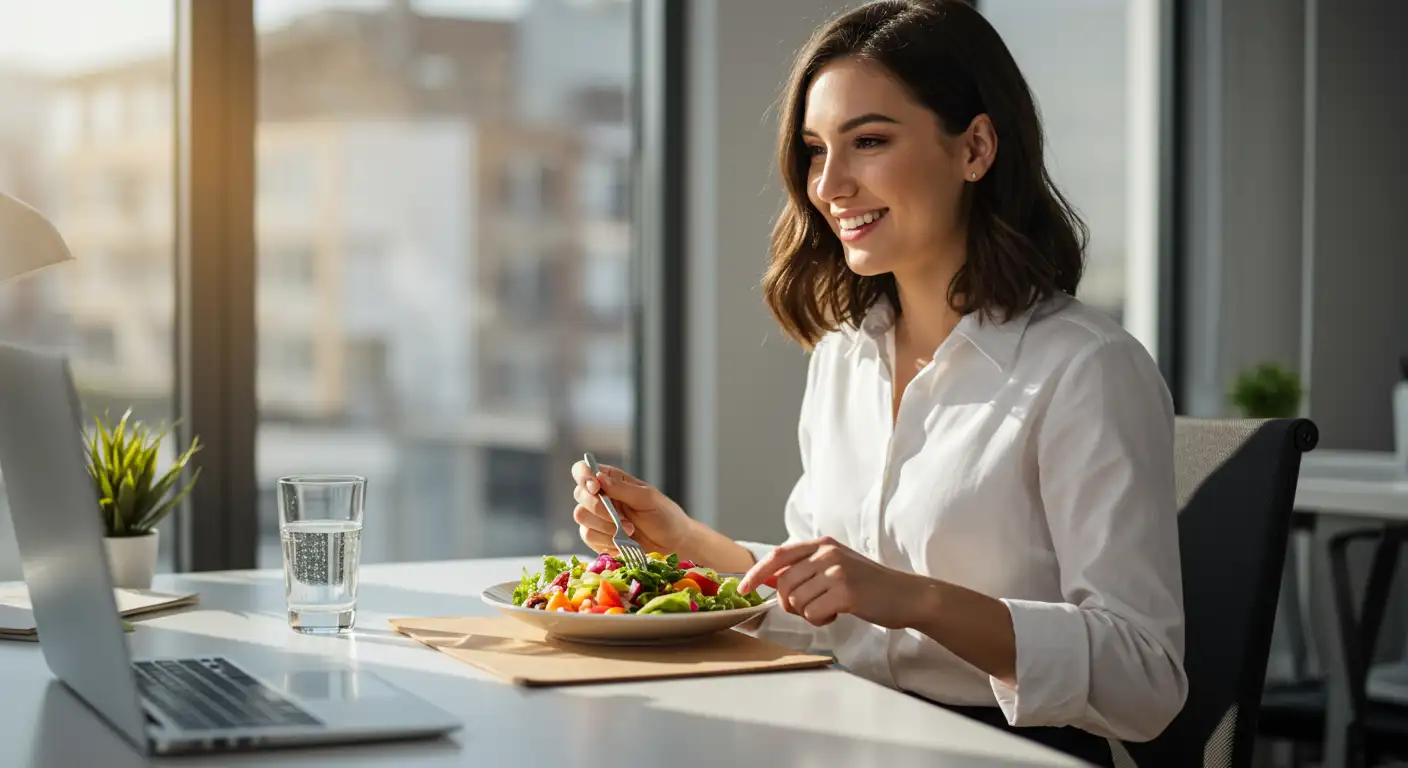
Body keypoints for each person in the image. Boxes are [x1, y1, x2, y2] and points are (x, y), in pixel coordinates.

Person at [569, 1, 1185, 763]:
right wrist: (685, 543)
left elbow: (1147, 680)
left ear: (976, 148)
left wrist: (916, 599)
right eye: (814, 150)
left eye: (868, 141)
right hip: (851, 733)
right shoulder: (843, 356)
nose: (829, 184)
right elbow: (824, 602)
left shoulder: (1087, 370)